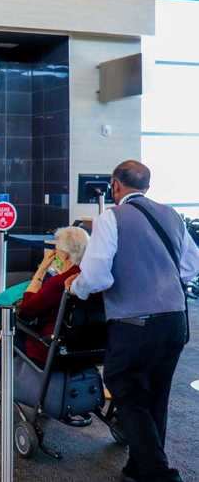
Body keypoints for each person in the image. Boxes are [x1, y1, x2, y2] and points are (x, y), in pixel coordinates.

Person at [65, 160, 199, 482]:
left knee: (124, 387)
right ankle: (137, 469)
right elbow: (191, 267)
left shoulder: (111, 217)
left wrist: (75, 287)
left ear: (115, 185)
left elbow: (96, 276)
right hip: (176, 321)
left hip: (135, 323)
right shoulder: (172, 216)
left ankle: (158, 474)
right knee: (157, 395)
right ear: (148, 187)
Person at [0, 226, 89, 390]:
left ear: (65, 254)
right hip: (86, 348)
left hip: (52, 347)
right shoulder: (92, 278)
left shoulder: (58, 282)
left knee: (13, 327)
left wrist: (41, 270)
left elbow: (26, 310)